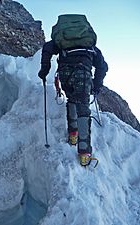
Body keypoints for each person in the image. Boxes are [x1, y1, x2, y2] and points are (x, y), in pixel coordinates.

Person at [38, 18, 108, 166]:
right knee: (83, 108)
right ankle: (84, 152)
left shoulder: (63, 41)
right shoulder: (91, 46)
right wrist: (96, 85)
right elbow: (102, 67)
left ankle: (73, 135)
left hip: (65, 73)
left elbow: (47, 48)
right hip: (83, 73)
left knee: (71, 100)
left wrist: (44, 70)